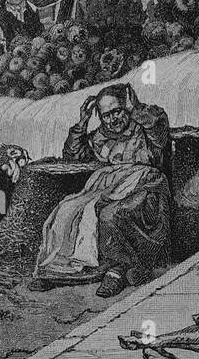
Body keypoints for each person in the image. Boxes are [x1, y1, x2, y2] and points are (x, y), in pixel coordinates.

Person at [30, 84, 172, 298]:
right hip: (109, 185)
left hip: (146, 186)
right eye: (106, 116)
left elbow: (158, 130)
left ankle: (119, 270)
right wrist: (82, 122)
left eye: (117, 111)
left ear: (127, 107)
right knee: (67, 209)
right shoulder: (100, 136)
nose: (112, 120)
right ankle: (60, 270)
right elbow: (74, 155)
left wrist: (135, 109)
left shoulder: (146, 126)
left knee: (109, 214)